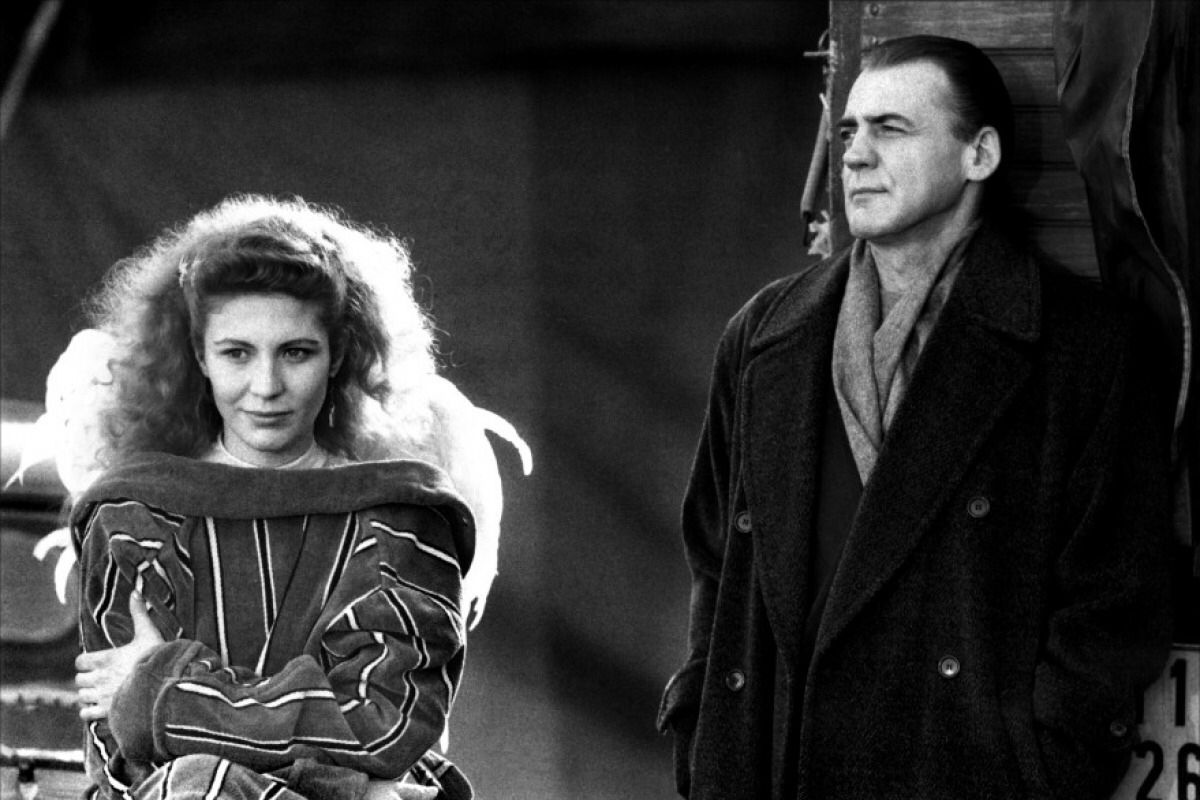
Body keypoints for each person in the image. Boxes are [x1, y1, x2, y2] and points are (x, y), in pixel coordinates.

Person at [657, 35, 1175, 799]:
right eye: (848, 131)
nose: (855, 156)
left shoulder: (1083, 348)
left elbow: (1113, 604)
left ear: (980, 155)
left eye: (891, 129)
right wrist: (706, 731)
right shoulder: (764, 335)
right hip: (771, 770)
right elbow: (713, 556)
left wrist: (1043, 767)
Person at [46, 195, 527, 800]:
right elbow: (121, 760)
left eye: (296, 352)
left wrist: (165, 697)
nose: (266, 386)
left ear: (338, 355)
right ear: (199, 356)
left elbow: (386, 728)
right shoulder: (133, 518)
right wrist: (319, 759)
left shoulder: (399, 521)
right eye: (237, 353)